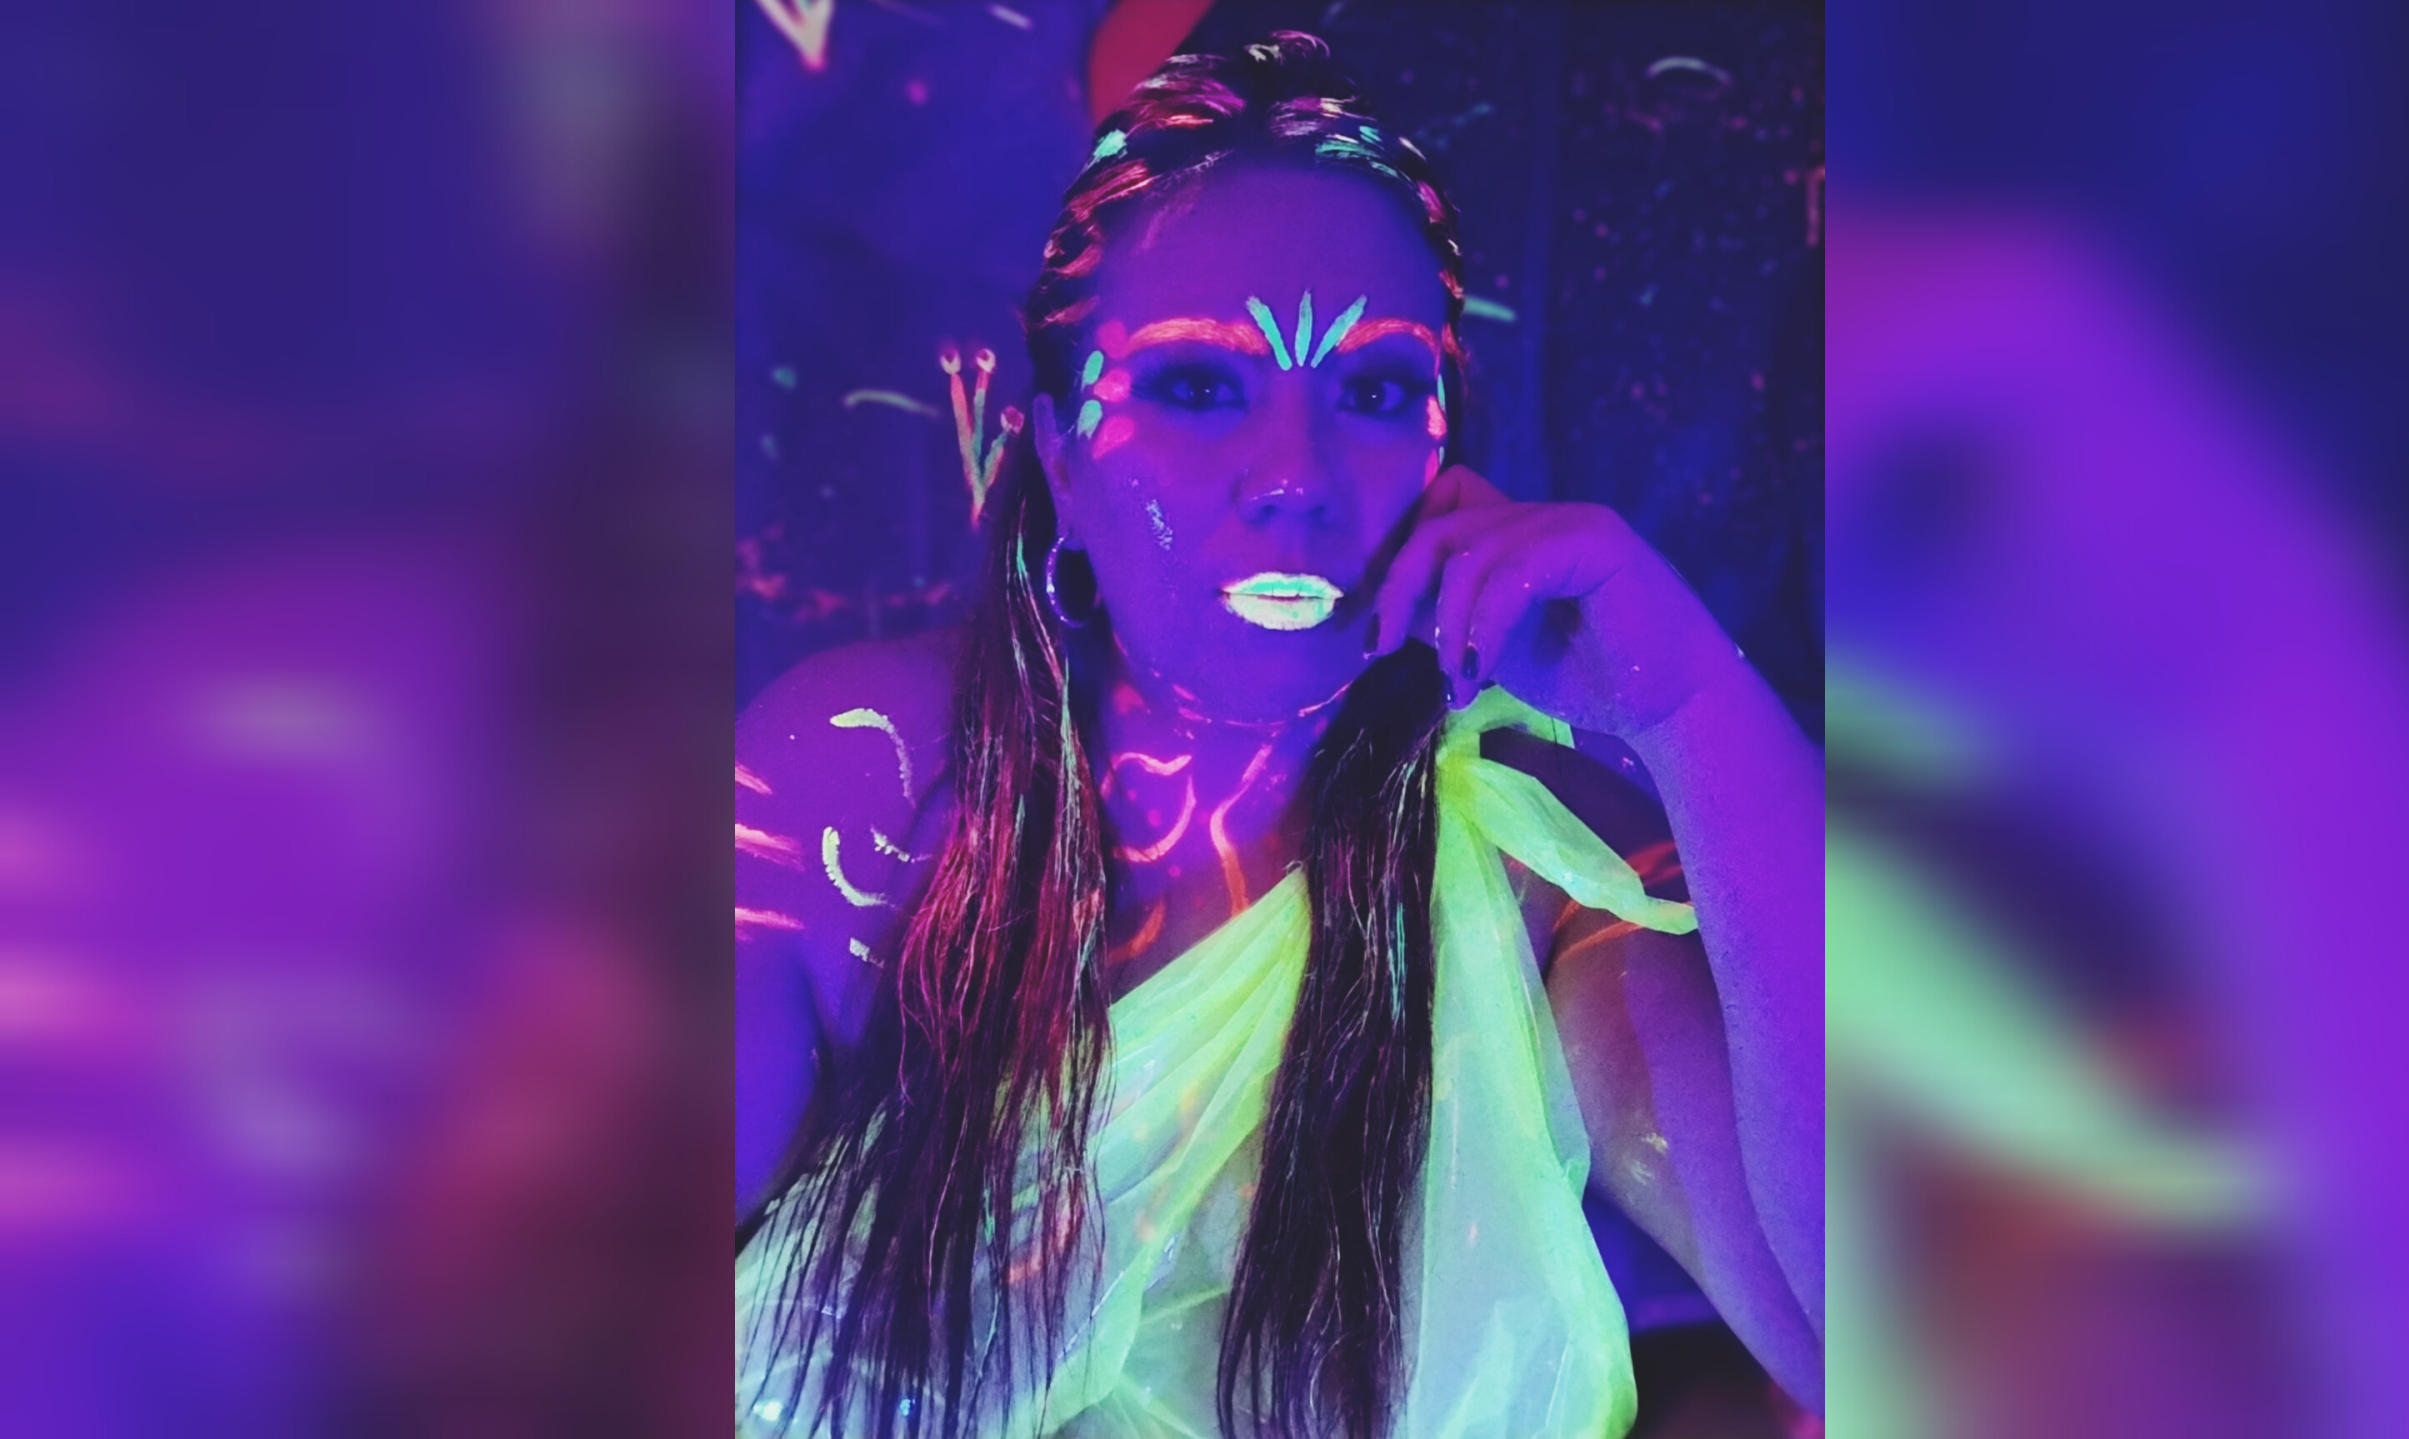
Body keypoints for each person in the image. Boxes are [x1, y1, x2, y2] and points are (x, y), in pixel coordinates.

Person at [734, 33, 1822, 1439]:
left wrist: (1693, 709)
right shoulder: (862, 782)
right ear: (1057, 453)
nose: (1297, 477)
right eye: (1198, 385)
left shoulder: (1531, 884)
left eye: (1372, 391)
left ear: (1449, 448)